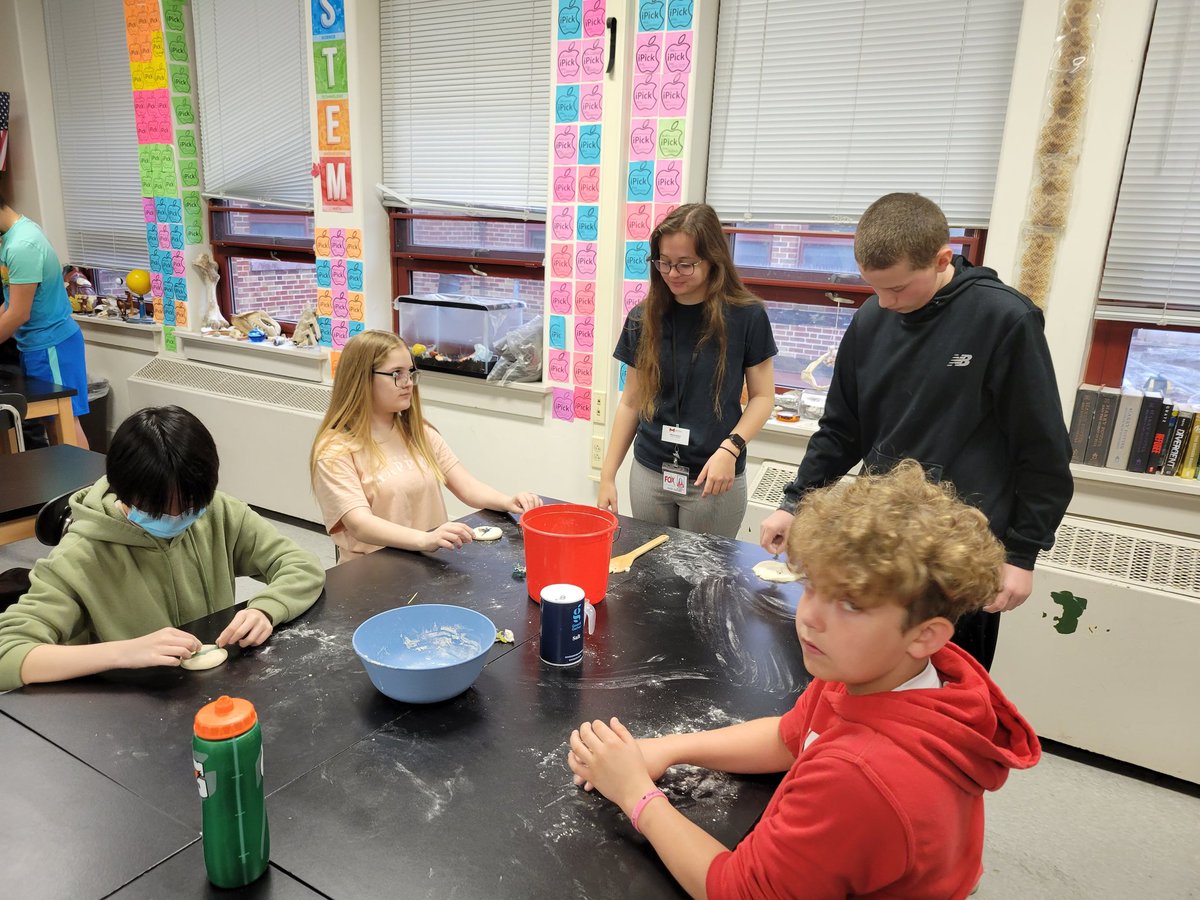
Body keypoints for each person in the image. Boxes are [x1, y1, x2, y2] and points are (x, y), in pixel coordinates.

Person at [568, 460, 1040, 899]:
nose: (809, 617)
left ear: (924, 635)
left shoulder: (860, 777)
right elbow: (790, 735)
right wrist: (668, 749)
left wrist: (636, 795)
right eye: (812, 586)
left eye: (850, 604)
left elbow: (738, 891)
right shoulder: (879, 671)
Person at [759, 192, 1073, 669]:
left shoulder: (1005, 320)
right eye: (874, 287)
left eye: (899, 288)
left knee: (942, 690)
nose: (886, 302)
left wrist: (1022, 554)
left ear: (942, 260)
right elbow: (841, 430)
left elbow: (1043, 451)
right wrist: (794, 502)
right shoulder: (872, 319)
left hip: (958, 554)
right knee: (864, 676)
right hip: (880, 544)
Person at [0, 406, 325, 691]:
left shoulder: (218, 513)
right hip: (127, 709)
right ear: (123, 492)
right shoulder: (80, 557)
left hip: (206, 689)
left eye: (190, 507)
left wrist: (265, 609)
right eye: (158, 511)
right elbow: (7, 654)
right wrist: (124, 652)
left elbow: (301, 565)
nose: (177, 519)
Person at [598, 203, 777, 537]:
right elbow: (631, 403)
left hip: (713, 474)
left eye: (685, 264)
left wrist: (730, 448)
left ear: (713, 260)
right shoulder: (643, 317)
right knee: (651, 564)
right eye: (664, 262)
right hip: (651, 472)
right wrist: (607, 475)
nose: (672, 273)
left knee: (706, 569)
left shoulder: (747, 317)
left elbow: (763, 397)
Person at [310, 329, 542, 562]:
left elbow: (468, 487)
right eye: (396, 374)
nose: (408, 383)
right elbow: (360, 524)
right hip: (373, 569)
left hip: (426, 560)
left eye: (410, 373)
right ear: (361, 378)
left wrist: (508, 502)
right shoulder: (335, 451)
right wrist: (424, 539)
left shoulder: (419, 433)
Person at [0, 193, 91, 447]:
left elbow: (18, 313)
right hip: (36, 345)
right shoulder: (13, 237)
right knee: (53, 424)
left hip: (52, 344)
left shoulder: (22, 246)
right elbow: (10, 302)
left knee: (65, 424)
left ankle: (85, 476)